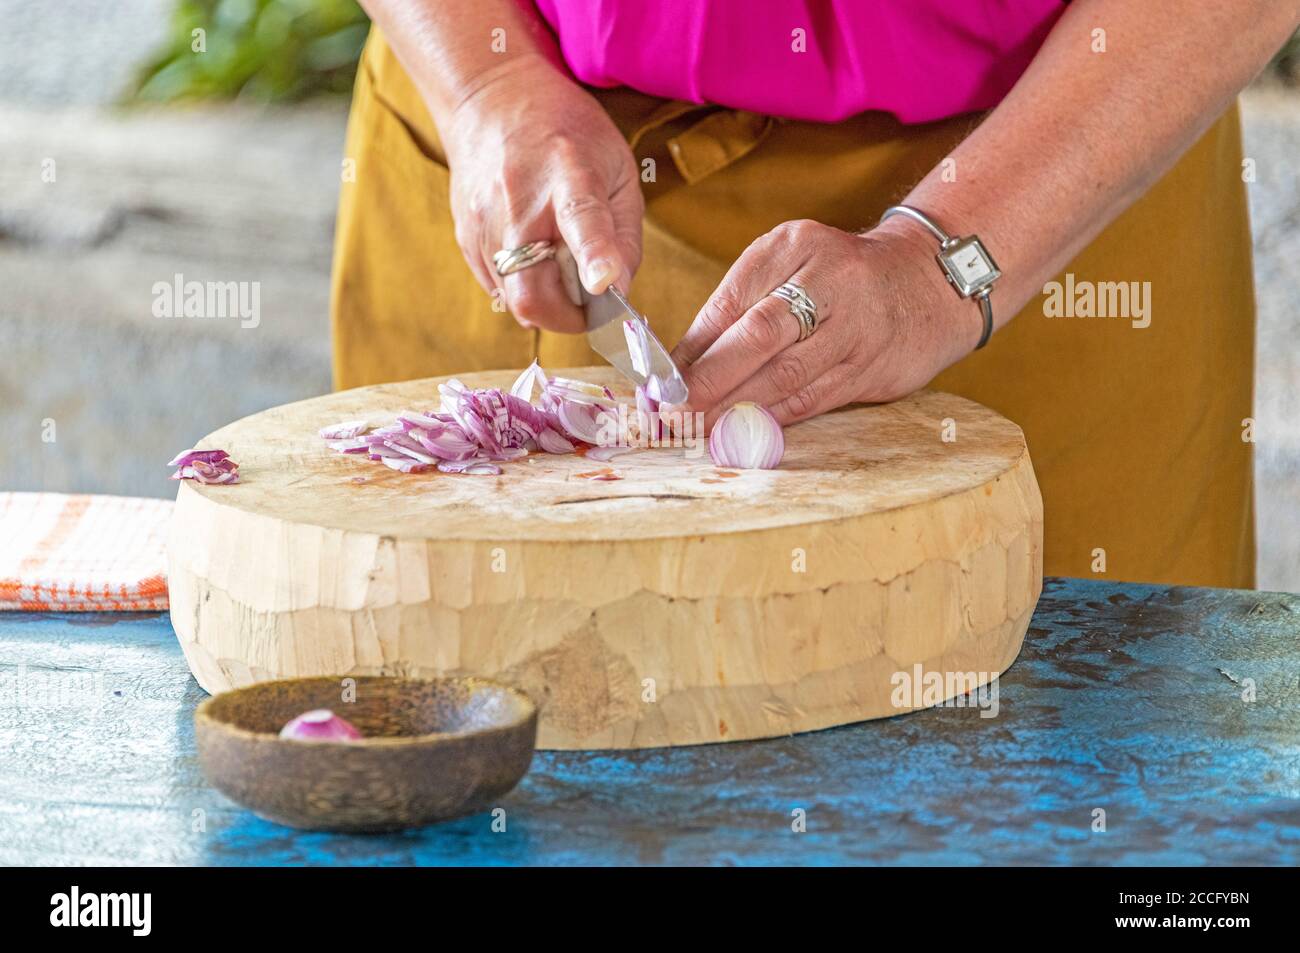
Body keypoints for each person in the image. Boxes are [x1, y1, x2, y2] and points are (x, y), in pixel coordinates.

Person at [331, 0, 1299, 588]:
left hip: (1046, 165)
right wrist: (485, 82)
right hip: (519, 138)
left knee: (1058, 764)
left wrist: (943, 261)